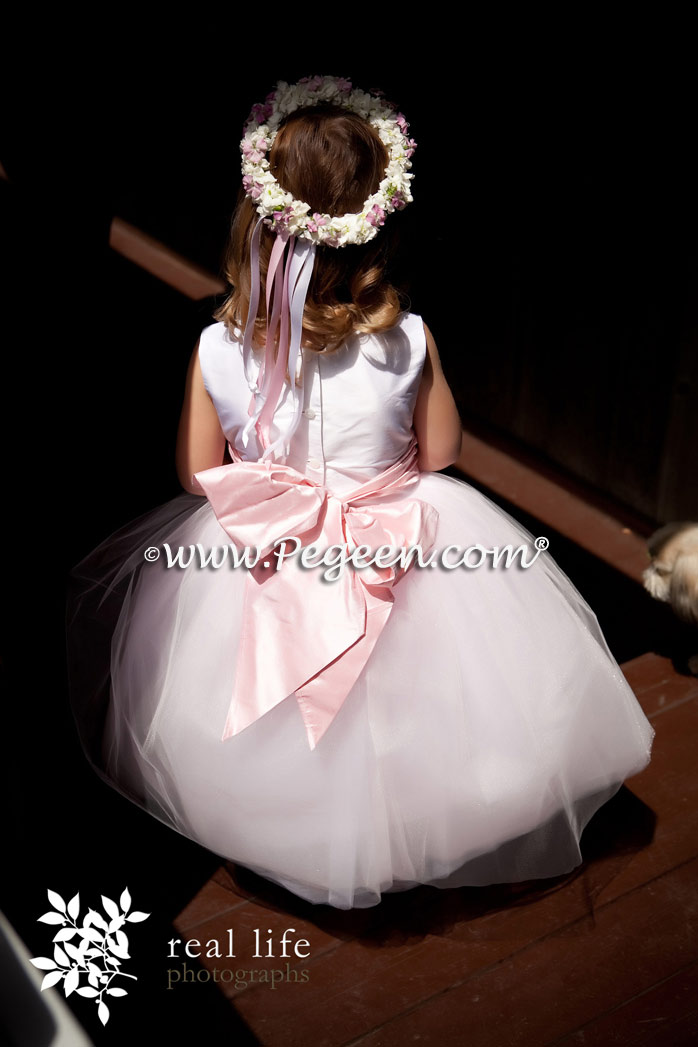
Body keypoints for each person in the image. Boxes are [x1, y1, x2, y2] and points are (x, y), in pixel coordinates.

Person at [67, 77, 654, 910]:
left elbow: (197, 474)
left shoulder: (216, 348)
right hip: (398, 531)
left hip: (270, 543)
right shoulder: (407, 338)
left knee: (257, 699)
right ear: (375, 223)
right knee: (434, 699)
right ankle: (425, 821)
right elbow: (442, 453)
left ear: (260, 223)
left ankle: (284, 820)